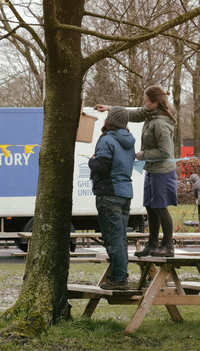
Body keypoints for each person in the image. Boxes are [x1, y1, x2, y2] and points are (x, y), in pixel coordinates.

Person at [95, 84, 177, 257]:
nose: (143, 103)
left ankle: (168, 246)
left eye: (146, 101)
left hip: (163, 171)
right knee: (150, 207)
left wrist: (142, 154)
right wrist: (111, 109)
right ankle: (153, 244)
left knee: (160, 207)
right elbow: (133, 113)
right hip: (152, 169)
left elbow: (165, 152)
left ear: (155, 103)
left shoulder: (161, 123)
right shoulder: (150, 112)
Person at [88, 106, 135, 290]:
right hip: (125, 193)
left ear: (110, 120)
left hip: (109, 193)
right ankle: (120, 275)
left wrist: (91, 161)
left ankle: (119, 279)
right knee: (121, 237)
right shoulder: (129, 141)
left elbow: (101, 165)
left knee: (112, 237)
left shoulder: (107, 140)